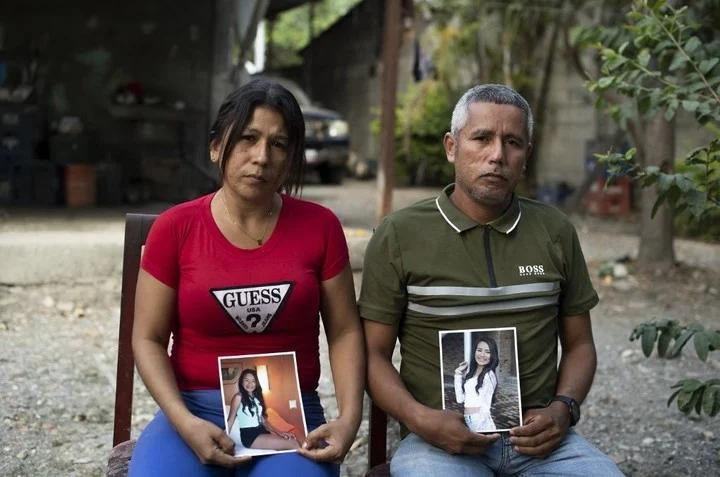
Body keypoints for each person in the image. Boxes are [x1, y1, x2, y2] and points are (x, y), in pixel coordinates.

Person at [360, 84, 623, 476]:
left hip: (542, 444)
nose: (497, 155)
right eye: (481, 138)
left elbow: (581, 345)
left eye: (513, 142)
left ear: (526, 156)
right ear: (452, 147)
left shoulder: (554, 231)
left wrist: (563, 408)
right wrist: (420, 418)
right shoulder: (399, 235)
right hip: (438, 446)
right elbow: (371, 355)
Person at [128, 79, 364, 477]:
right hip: (192, 411)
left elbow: (344, 332)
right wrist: (185, 423)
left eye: (278, 144)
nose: (261, 157)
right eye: (248, 139)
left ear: (291, 159)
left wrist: (349, 419)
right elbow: (147, 338)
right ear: (217, 147)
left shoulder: (320, 227)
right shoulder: (176, 228)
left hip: (289, 416)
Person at [226, 369, 299, 451]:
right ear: (241, 382)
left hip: (261, 430)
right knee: (293, 444)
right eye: (246, 380)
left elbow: (263, 421)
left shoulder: (257, 398)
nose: (250, 384)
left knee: (291, 442)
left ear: (256, 383)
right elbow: (230, 421)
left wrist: (279, 432)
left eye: (253, 381)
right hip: (250, 436)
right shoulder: (238, 397)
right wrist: (223, 441)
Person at [454, 335, 498, 433]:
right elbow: (460, 399)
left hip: (479, 423)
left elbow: (485, 408)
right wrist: (458, 374)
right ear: (475, 351)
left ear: (492, 355)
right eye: (479, 350)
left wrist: (479, 431)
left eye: (487, 352)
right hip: (468, 419)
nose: (482, 355)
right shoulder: (472, 373)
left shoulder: (489, 376)